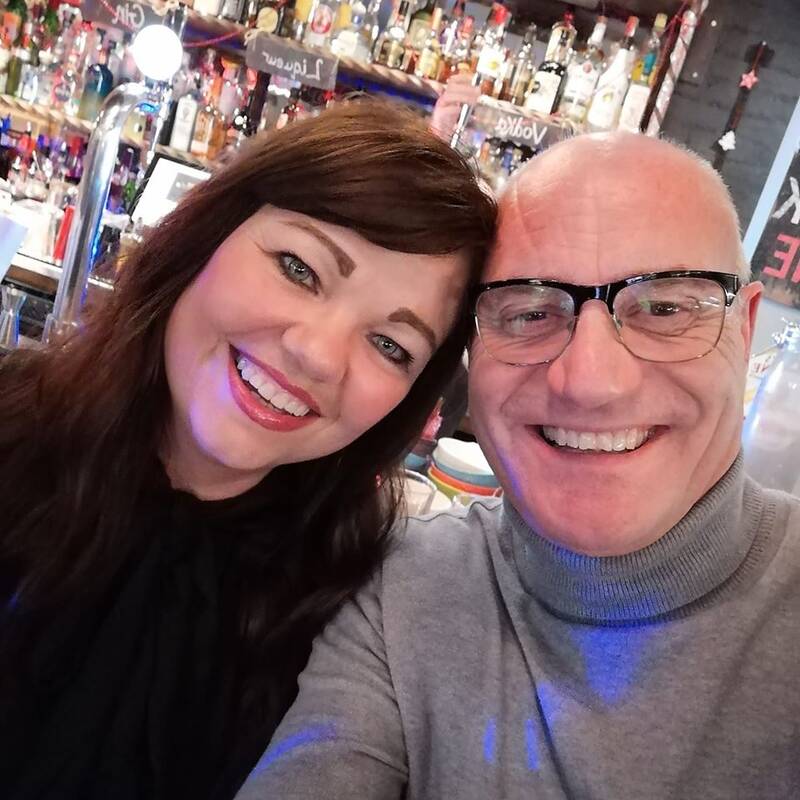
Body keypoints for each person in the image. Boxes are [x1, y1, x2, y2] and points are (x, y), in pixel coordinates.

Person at [235, 132, 800, 800]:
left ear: (744, 328)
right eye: (530, 312)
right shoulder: (402, 590)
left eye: (664, 308)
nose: (590, 381)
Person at [0, 101, 496, 800]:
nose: (317, 354)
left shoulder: (349, 621)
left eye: (390, 345)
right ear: (209, 233)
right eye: (299, 268)